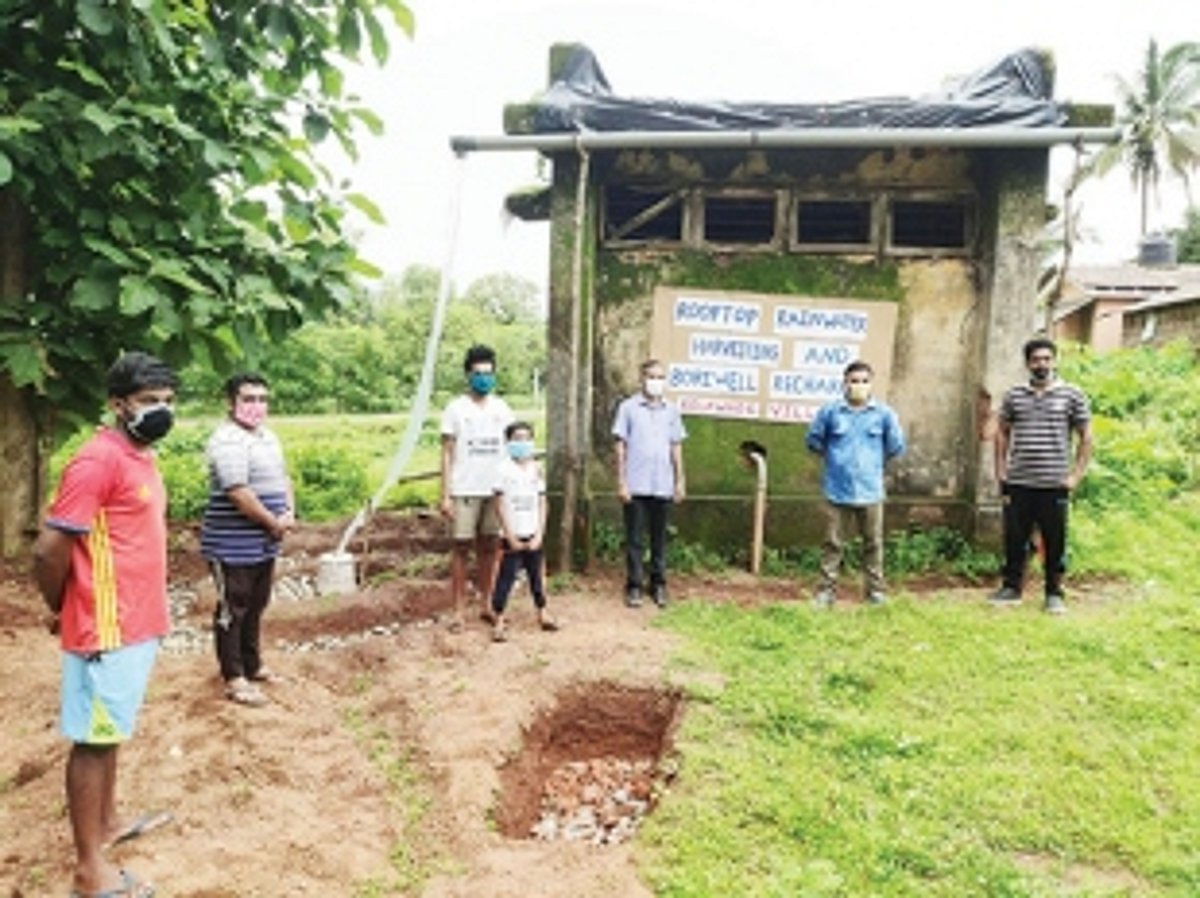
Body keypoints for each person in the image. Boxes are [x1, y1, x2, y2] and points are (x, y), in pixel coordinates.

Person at [32, 351, 178, 898]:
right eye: (147, 402)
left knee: (109, 729)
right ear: (118, 405)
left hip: (135, 622)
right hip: (107, 627)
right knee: (93, 740)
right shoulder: (98, 461)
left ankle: (108, 822)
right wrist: (60, 606)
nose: (160, 412)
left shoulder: (138, 455)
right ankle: (90, 871)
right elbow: (50, 550)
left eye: (167, 402)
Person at [200, 373, 294, 705]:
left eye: (262, 399)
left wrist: (288, 513)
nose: (257, 406)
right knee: (233, 607)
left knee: (256, 604)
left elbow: (283, 477)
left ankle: (253, 665)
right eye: (248, 399)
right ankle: (234, 676)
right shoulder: (227, 440)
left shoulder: (268, 437)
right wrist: (272, 522)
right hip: (231, 545)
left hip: (264, 542)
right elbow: (238, 492)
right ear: (231, 403)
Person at [990, 337, 1092, 614]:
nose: (1042, 364)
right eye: (1036, 360)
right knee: (1014, 538)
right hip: (1019, 482)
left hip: (1054, 484)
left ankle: (1053, 593)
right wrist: (1001, 471)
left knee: (1054, 539)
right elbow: (1001, 432)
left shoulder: (1072, 395)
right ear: (1027, 364)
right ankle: (1011, 588)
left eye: (1047, 359)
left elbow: (1086, 438)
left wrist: (1075, 476)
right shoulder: (1014, 396)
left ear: (1055, 361)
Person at [805, 359, 906, 607]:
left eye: (864, 381)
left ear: (871, 384)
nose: (858, 385)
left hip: (870, 490)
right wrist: (836, 461)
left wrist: (872, 464)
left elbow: (895, 446)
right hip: (837, 489)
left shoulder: (884, 415)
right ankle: (826, 592)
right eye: (853, 381)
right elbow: (814, 441)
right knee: (832, 543)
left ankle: (875, 591)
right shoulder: (830, 412)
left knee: (873, 543)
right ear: (844, 384)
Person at [440, 344, 515, 631]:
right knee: (461, 548)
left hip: (494, 490)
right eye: (478, 373)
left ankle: (487, 603)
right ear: (468, 375)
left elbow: (512, 449)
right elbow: (446, 453)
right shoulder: (455, 409)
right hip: (464, 489)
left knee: (491, 547)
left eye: (489, 373)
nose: (484, 378)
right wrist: (445, 494)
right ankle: (458, 610)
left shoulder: (502, 408)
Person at [612, 358, 687, 608]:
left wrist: (680, 481)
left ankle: (658, 584)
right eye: (651, 377)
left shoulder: (672, 410)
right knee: (634, 538)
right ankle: (634, 585)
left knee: (659, 538)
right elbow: (620, 446)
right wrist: (621, 481)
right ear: (641, 379)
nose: (656, 382)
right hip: (636, 484)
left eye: (660, 377)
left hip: (662, 484)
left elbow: (676, 446)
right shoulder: (628, 408)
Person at [488, 421, 558, 641]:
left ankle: (543, 612)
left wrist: (539, 534)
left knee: (536, 576)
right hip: (512, 535)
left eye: (527, 438)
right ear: (508, 442)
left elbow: (542, 502)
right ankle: (499, 618)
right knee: (506, 577)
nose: (522, 443)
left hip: (532, 532)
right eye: (517, 438)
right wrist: (510, 536)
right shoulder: (502, 470)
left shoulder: (536, 468)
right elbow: (499, 505)